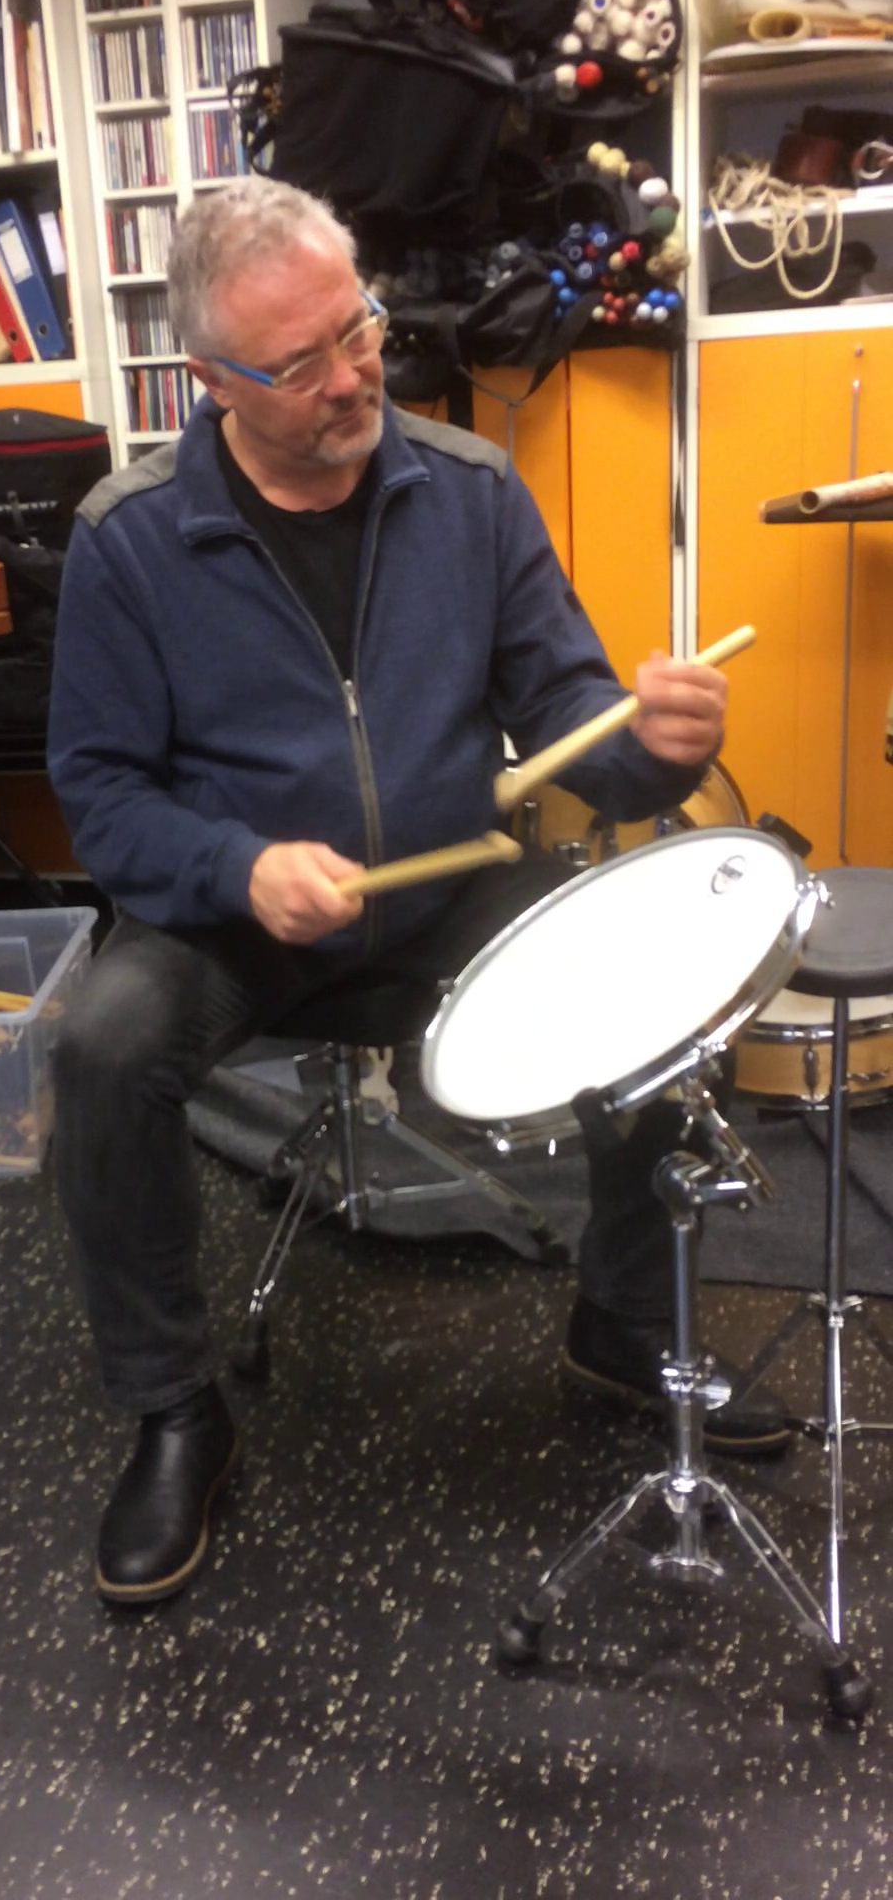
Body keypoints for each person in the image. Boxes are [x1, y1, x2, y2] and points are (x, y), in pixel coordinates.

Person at [47, 177, 788, 1609]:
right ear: (211, 379)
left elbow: (567, 709)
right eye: (300, 363)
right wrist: (238, 866)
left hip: (449, 892)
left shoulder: (470, 489)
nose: (350, 377)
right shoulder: (128, 537)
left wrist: (656, 747)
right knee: (103, 1047)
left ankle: (624, 1327)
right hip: (236, 921)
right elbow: (103, 794)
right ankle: (175, 1410)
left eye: (359, 329)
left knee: (653, 984)